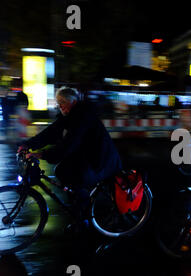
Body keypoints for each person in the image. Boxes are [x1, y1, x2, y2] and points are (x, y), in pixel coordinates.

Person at [17, 87, 123, 230]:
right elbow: (51, 133)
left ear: (72, 102)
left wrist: (42, 154)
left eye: (62, 102)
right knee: (61, 171)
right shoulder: (69, 116)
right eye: (58, 102)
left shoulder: (83, 116)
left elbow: (69, 144)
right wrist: (27, 144)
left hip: (101, 161)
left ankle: (84, 212)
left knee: (78, 178)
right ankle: (79, 206)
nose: (59, 105)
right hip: (87, 157)